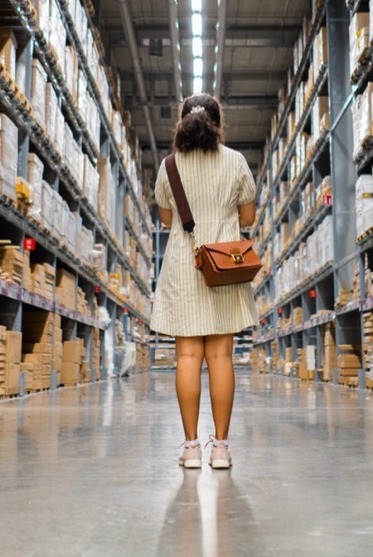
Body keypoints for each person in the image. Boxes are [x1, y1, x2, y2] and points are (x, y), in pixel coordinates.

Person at [152, 94, 258, 470]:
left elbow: (166, 221)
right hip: (223, 268)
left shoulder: (169, 166)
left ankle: (192, 448)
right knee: (220, 357)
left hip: (184, 268)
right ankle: (222, 449)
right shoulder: (236, 162)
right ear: (218, 124)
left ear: (181, 123)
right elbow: (247, 217)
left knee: (187, 357)